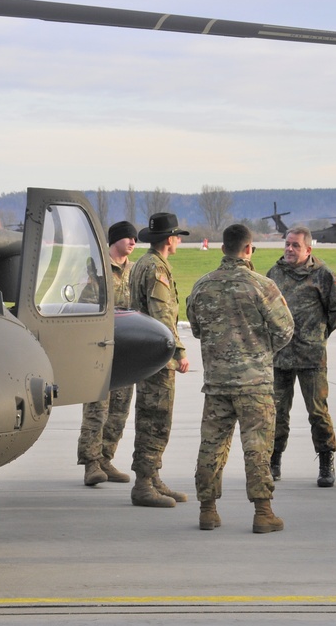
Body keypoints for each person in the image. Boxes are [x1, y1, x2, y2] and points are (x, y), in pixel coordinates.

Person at [188, 224, 294, 533]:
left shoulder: (202, 286)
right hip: (254, 382)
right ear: (248, 250)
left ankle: (207, 510)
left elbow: (197, 329)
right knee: (257, 447)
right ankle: (263, 512)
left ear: (223, 249)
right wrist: (257, 348)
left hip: (217, 382)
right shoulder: (263, 286)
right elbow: (285, 331)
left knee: (212, 445)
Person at [267, 226, 336, 487]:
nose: (289, 249)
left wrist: (320, 332)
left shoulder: (322, 274)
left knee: (317, 411)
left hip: (311, 356)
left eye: (295, 246)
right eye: (287, 244)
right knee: (277, 411)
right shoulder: (275, 273)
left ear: (308, 250)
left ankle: (326, 461)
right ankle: (274, 461)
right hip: (280, 356)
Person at [128, 212, 190, 507]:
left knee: (149, 416)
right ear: (169, 239)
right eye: (177, 235)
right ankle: (143, 484)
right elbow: (162, 314)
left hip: (146, 354)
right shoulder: (156, 269)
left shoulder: (145, 263)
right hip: (158, 356)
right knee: (157, 420)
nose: (178, 240)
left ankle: (151, 477)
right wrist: (178, 351)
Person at [77, 221, 138, 486]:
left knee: (119, 411)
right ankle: (91, 463)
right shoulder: (97, 271)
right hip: (102, 349)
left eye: (135, 239)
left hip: (127, 351)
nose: (133, 242)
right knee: (96, 410)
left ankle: (106, 458)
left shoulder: (135, 272)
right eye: (128, 238)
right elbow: (84, 307)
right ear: (115, 241)